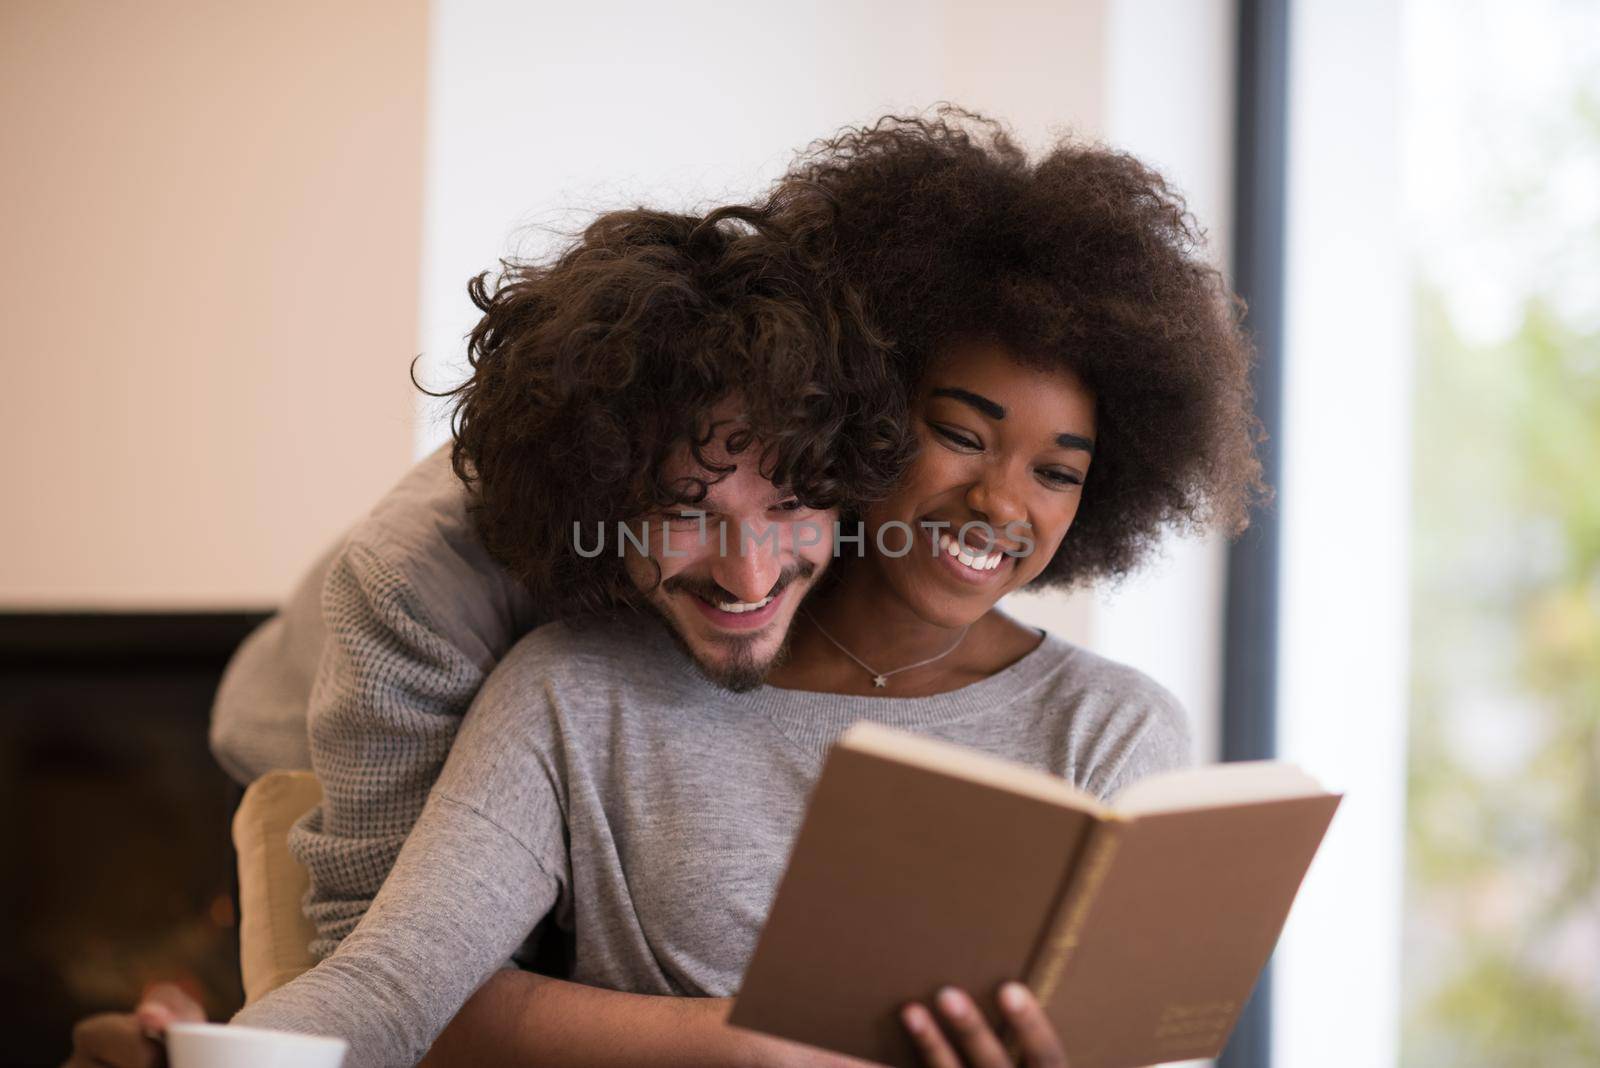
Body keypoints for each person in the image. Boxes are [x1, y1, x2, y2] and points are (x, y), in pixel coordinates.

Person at [67, 108, 1265, 1068]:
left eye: (1058, 471)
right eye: (687, 511)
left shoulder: (1113, 728)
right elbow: (392, 982)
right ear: (880, 416)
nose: (1006, 503)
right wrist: (201, 1055)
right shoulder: (567, 687)